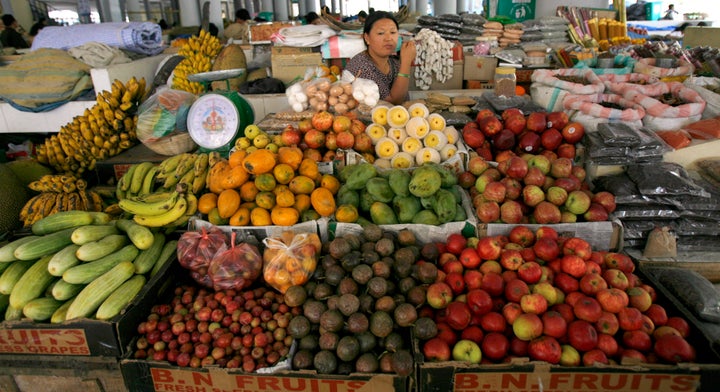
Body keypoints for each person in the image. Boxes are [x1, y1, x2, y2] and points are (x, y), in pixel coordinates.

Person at [345, 11, 416, 105]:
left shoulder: (392, 61)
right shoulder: (361, 66)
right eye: (381, 33)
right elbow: (392, 103)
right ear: (367, 38)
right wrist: (406, 62)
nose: (388, 38)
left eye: (393, 32)